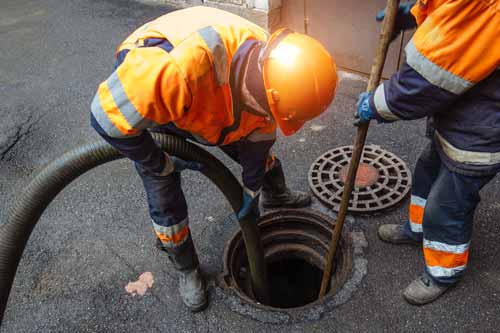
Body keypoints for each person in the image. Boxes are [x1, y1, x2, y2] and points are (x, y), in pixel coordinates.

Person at [90, 6, 337, 311]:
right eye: (278, 115)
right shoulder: (172, 72)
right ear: (267, 95)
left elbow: (258, 142)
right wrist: (158, 161)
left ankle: (276, 196)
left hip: (216, 101)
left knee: (257, 150)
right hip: (167, 90)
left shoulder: (279, 70)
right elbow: (104, 118)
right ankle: (187, 268)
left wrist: (251, 190)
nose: (275, 121)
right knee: (163, 191)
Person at [356, 0, 500, 305]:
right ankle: (418, 230)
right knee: (426, 172)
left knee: (447, 205)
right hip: (458, 116)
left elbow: (427, 80)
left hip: (480, 134)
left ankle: (443, 271)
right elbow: (447, 12)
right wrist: (412, 14)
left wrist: (378, 105)